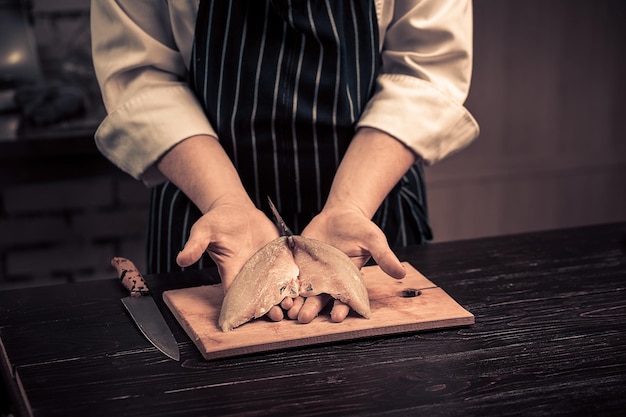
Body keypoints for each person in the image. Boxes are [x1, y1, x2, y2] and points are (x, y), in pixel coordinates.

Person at [90, 0, 479, 324]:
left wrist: (351, 204)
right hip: (207, 210)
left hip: (370, 202)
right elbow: (143, 79)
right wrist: (225, 202)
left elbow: (427, 71)